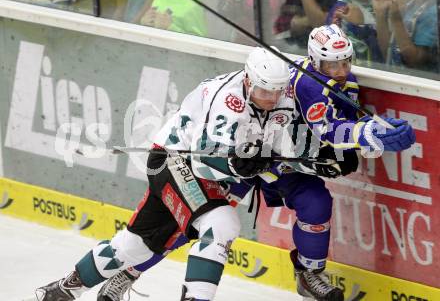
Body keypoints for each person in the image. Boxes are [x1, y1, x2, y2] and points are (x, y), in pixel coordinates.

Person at [94, 25, 416, 301]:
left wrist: (369, 139)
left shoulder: (341, 81)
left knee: (317, 203)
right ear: (315, 60)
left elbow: (337, 130)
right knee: (196, 222)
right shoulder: (308, 85)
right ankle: (131, 271)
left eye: (346, 62)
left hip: (288, 159)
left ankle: (309, 273)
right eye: (333, 65)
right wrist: (370, 135)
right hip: (256, 158)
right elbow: (329, 130)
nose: (342, 69)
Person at [33, 46, 299, 301]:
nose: (272, 99)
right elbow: (205, 161)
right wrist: (239, 164)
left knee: (133, 246)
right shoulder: (227, 102)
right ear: (248, 81)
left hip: (202, 171)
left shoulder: (282, 95)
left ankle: (61, 290)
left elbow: (289, 143)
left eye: (277, 91)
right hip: (176, 160)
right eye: (265, 91)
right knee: (221, 224)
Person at [372, 0, 438, 72]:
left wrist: (397, 19)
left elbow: (414, 61)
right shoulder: (409, 5)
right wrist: (380, 14)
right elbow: (388, 52)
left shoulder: (433, 13)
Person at [273, 0, 343, 49]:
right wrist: (306, 20)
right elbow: (280, 27)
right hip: (295, 49)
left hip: (327, 50)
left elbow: (322, 26)